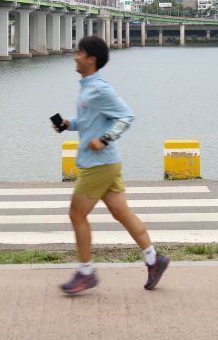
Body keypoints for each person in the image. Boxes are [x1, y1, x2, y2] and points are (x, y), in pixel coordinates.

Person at [53, 35, 169, 295]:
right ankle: (154, 259)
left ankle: (86, 273)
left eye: (79, 52)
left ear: (91, 59)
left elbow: (127, 116)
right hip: (107, 163)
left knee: (76, 214)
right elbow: (89, 120)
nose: (75, 56)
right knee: (121, 213)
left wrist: (105, 139)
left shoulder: (100, 88)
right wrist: (68, 124)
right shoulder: (87, 86)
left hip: (99, 164)